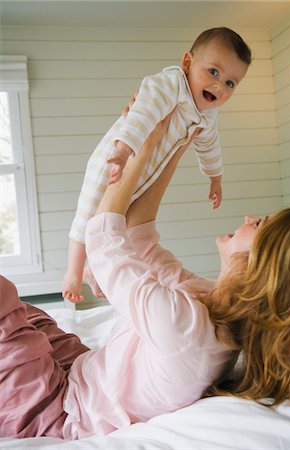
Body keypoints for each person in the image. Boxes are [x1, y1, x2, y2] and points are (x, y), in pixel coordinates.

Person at [0, 115, 290, 440]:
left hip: (56, 409)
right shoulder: (209, 302)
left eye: (257, 224)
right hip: (80, 367)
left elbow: (103, 238)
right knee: (25, 312)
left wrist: (146, 143)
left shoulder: (189, 328)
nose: (248, 218)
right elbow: (140, 240)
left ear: (259, 264)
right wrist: (174, 144)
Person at [62, 26, 252, 302]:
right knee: (91, 214)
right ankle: (73, 272)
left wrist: (215, 177)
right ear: (188, 62)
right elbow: (142, 114)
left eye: (230, 83)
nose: (218, 86)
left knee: (119, 225)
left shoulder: (207, 117)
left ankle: (95, 270)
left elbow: (209, 147)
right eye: (213, 72)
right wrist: (123, 151)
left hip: (142, 176)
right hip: (115, 159)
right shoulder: (172, 84)